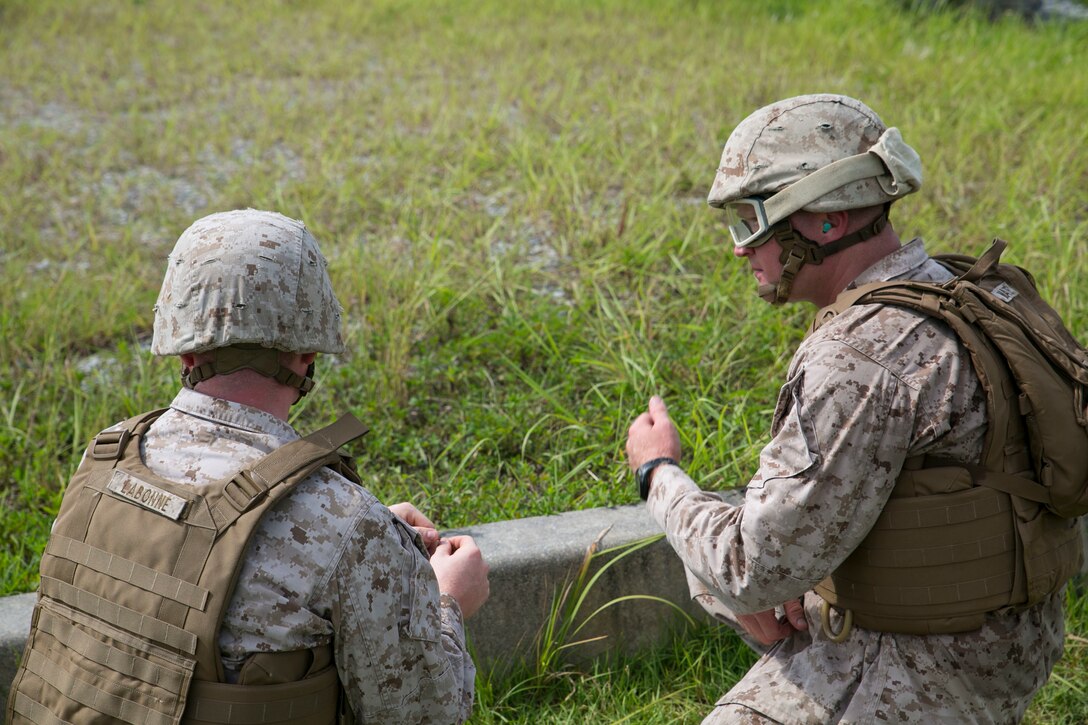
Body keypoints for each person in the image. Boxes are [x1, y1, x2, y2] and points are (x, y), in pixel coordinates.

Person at [625, 94, 1076, 723]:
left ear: (828, 222)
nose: (739, 248)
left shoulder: (859, 356)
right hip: (1017, 641)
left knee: (717, 562)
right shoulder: (963, 289)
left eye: (750, 220)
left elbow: (749, 566)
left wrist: (658, 473)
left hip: (929, 668)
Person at [7, 209, 489, 724]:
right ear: (307, 353)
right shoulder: (346, 525)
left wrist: (371, 547)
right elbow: (424, 716)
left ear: (184, 350)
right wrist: (445, 600)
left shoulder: (104, 461)